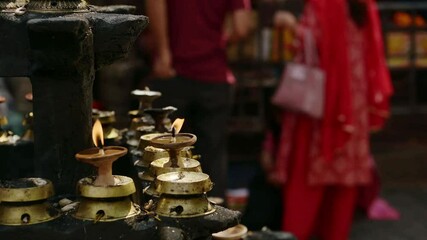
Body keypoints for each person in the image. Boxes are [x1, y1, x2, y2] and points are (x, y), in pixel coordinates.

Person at [269, 0, 394, 239]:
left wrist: (290, 24)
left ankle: (296, 234)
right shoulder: (364, 6)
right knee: (344, 184)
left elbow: (308, 43)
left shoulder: (323, 5)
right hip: (354, 107)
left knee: (308, 180)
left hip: (323, 104)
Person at [145, 0, 252, 199]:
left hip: (171, 72)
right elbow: (242, 26)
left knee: (169, 156)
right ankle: (215, 223)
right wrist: (218, 43)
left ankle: (170, 222)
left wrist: (163, 52)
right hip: (214, 77)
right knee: (213, 158)